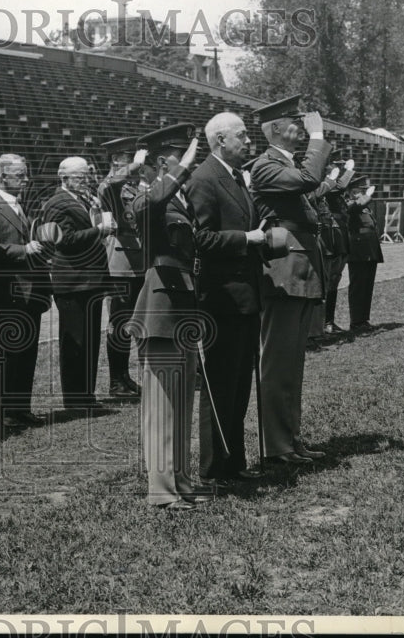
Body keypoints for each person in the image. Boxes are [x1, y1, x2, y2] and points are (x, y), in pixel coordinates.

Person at [249, 95, 331, 467]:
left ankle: (290, 439)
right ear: (277, 129)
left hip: (299, 268)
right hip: (283, 272)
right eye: (295, 123)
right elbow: (310, 178)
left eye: (303, 124)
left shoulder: (283, 164)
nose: (301, 128)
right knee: (277, 362)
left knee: (292, 363)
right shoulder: (265, 166)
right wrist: (318, 138)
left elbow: (309, 185)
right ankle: (275, 445)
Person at [187, 111, 268, 488]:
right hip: (222, 300)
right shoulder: (205, 179)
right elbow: (200, 240)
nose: (248, 141)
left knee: (239, 386)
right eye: (242, 136)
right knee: (220, 387)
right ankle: (213, 469)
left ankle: (234, 461)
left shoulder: (236, 177)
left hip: (246, 297)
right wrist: (246, 239)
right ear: (220, 140)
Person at [128, 125, 204, 510]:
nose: (188, 163)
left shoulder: (181, 199)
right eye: (180, 156)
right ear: (163, 161)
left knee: (181, 401)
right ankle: (161, 490)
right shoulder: (145, 195)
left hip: (184, 303)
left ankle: (180, 482)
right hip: (159, 305)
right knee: (161, 404)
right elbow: (146, 207)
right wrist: (183, 169)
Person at [41, 156, 115, 409]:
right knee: (75, 342)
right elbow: (65, 239)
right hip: (72, 282)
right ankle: (75, 398)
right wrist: (99, 230)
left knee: (91, 341)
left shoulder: (80, 199)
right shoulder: (57, 202)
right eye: (79, 176)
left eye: (86, 175)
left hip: (88, 280)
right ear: (64, 178)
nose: (85, 180)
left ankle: (86, 395)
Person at [0, 154, 52, 433]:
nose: (25, 180)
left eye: (25, 174)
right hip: (9, 290)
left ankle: (21, 407)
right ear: (2, 177)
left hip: (30, 290)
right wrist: (24, 250)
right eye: (19, 175)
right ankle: (7, 411)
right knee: (11, 351)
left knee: (28, 351)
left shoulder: (19, 206)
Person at [96, 137, 144, 399]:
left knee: (133, 323)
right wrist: (136, 165)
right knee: (119, 322)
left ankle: (125, 377)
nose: (135, 162)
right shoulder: (110, 185)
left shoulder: (132, 186)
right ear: (116, 160)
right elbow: (109, 184)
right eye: (129, 157)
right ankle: (116, 381)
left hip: (138, 263)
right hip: (121, 265)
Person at [322, 157, 354, 335]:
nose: (336, 171)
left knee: (334, 282)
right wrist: (347, 172)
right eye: (333, 169)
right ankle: (322, 323)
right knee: (326, 283)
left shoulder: (335, 189)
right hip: (329, 241)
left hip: (340, 240)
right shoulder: (326, 186)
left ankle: (329, 321)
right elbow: (339, 187)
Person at [346, 180, 384, 332]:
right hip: (358, 249)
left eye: (362, 191)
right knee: (358, 285)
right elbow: (353, 208)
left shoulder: (363, 205)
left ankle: (363, 319)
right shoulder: (349, 203)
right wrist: (365, 197)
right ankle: (356, 321)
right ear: (351, 191)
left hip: (369, 248)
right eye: (358, 190)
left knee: (367, 285)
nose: (361, 193)